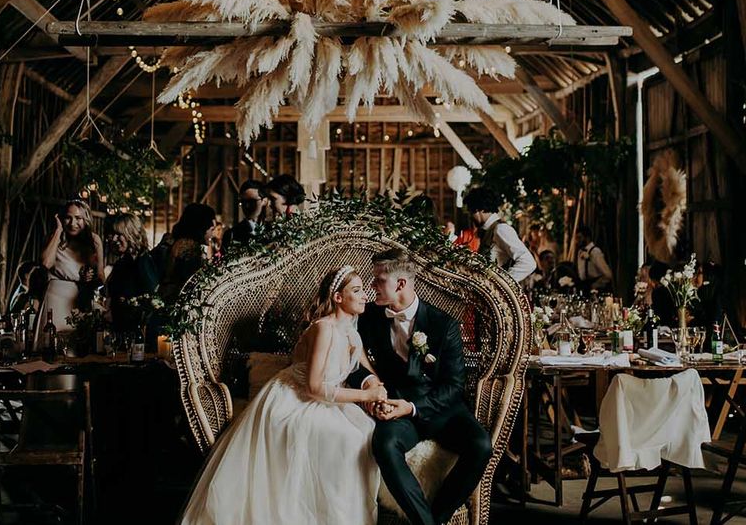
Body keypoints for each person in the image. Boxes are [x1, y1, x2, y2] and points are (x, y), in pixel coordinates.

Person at [180, 266, 385, 525]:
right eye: (356, 290)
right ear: (338, 298)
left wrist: (377, 390)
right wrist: (364, 397)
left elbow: (367, 371)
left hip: (326, 399)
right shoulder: (323, 328)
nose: (364, 295)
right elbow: (313, 387)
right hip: (294, 399)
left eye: (363, 290)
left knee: (363, 432)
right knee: (344, 438)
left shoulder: (351, 331)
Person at [349, 248, 493, 525]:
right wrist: (372, 387)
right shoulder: (369, 319)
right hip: (396, 408)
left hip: (441, 408)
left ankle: (434, 520)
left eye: (379, 281)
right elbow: (354, 365)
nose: (373, 287)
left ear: (400, 284)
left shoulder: (444, 324)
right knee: (385, 444)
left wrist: (414, 407)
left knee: (480, 445)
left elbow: (453, 385)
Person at [34, 199, 105, 348]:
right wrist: (58, 231)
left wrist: (90, 279)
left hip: (80, 300)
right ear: (61, 218)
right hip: (55, 297)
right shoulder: (53, 237)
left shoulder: (94, 241)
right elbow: (46, 263)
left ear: (86, 219)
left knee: (77, 348)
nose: (73, 223)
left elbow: (100, 277)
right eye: (68, 217)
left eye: (78, 218)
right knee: (51, 347)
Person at [463, 188, 536, 284]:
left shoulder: (501, 229)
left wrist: (501, 283)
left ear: (477, 210)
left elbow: (528, 263)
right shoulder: (489, 230)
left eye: (471, 212)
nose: (470, 216)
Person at [106, 213, 160, 333]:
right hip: (120, 330)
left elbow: (153, 301)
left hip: (137, 334)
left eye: (119, 235)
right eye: (113, 234)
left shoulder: (143, 261)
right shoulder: (122, 263)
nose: (114, 239)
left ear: (131, 234)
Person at [154, 202, 216, 300]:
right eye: (212, 230)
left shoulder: (172, 241)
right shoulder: (190, 249)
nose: (213, 235)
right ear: (202, 228)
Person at [221, 180, 266, 251]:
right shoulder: (231, 235)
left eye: (252, 201)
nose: (247, 206)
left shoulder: (275, 230)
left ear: (264, 201)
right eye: (243, 202)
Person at [575, 225, 613, 292]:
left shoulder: (595, 252)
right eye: (576, 238)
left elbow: (608, 275)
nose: (577, 241)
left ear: (587, 238)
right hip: (583, 288)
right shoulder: (580, 252)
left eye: (579, 238)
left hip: (595, 289)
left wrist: (595, 285)